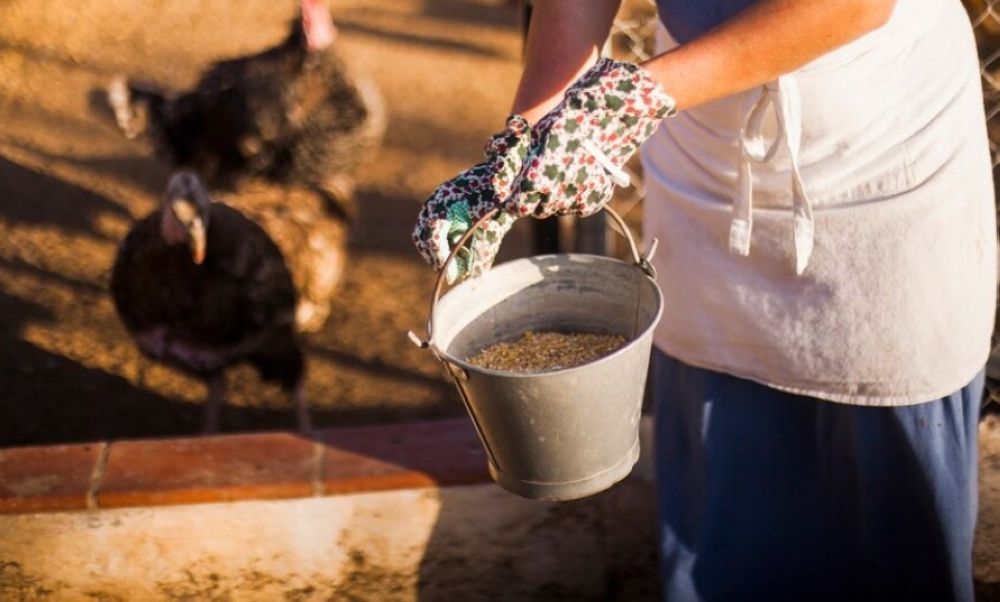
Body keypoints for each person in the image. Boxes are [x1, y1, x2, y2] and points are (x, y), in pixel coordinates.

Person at [413, 0, 998, 599]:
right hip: (702, 145)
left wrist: (635, 100)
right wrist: (526, 139)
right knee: (728, 501)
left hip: (876, 156)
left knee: (890, 526)